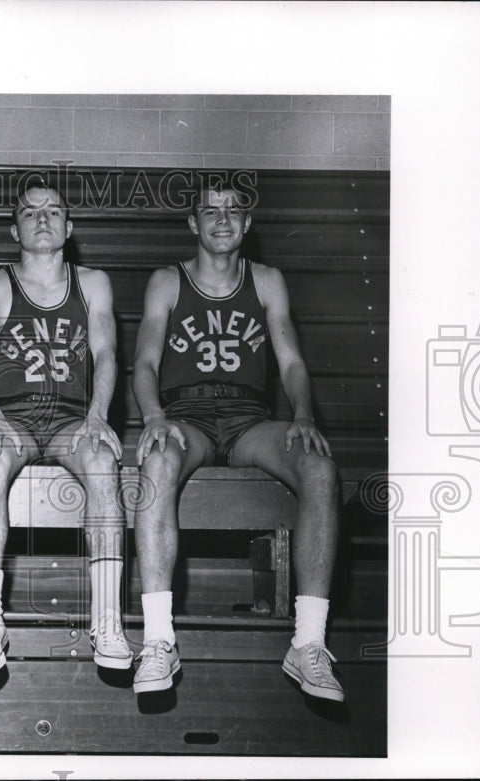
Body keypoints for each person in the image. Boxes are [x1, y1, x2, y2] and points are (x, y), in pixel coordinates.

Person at [131, 180, 343, 701]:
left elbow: (291, 363)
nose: (222, 219)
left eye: (233, 211)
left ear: (248, 224)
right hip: (189, 416)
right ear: (193, 223)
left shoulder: (267, 280)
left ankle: (308, 644)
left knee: (320, 466)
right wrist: (154, 417)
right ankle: (158, 640)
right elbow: (146, 363)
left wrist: (303, 414)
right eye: (210, 211)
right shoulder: (168, 281)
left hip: (250, 419)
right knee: (157, 460)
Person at [0, 181, 132, 677]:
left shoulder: (93, 283)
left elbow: (106, 353)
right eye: (30, 212)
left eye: (54, 211)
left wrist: (98, 415)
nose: (42, 219)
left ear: (69, 227)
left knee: (102, 459)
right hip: (13, 416)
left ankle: (108, 620)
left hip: (70, 418)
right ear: (14, 229)